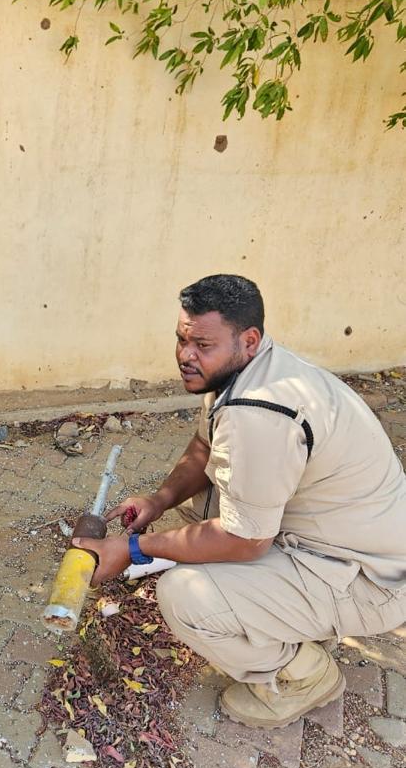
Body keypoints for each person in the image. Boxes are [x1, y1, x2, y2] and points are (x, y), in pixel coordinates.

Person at [73, 275, 406, 729]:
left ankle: (302, 676)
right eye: (181, 339)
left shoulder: (259, 411)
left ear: (247, 339)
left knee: (186, 597)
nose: (185, 356)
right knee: (201, 507)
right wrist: (159, 500)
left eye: (201, 345)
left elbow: (245, 541)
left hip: (372, 579)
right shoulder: (247, 368)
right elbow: (205, 445)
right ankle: (289, 616)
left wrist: (133, 550)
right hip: (344, 540)